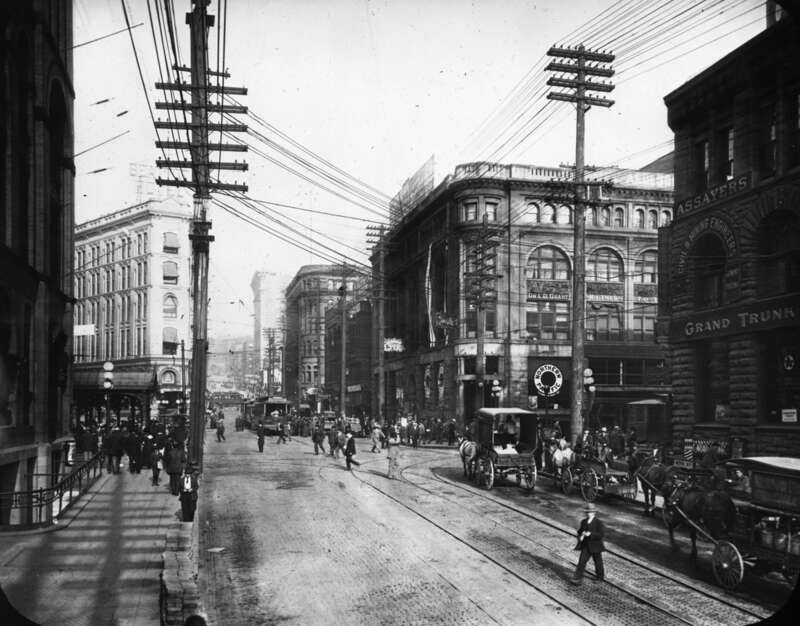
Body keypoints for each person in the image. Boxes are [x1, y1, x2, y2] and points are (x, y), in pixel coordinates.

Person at [572, 502, 605, 584]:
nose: (588, 514)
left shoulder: (598, 523)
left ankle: (600, 578)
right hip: (586, 546)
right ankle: (577, 579)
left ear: (594, 513)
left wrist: (590, 534)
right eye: (587, 512)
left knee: (598, 562)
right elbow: (579, 531)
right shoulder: (583, 521)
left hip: (596, 546)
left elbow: (601, 535)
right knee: (581, 561)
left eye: (590, 512)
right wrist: (581, 536)